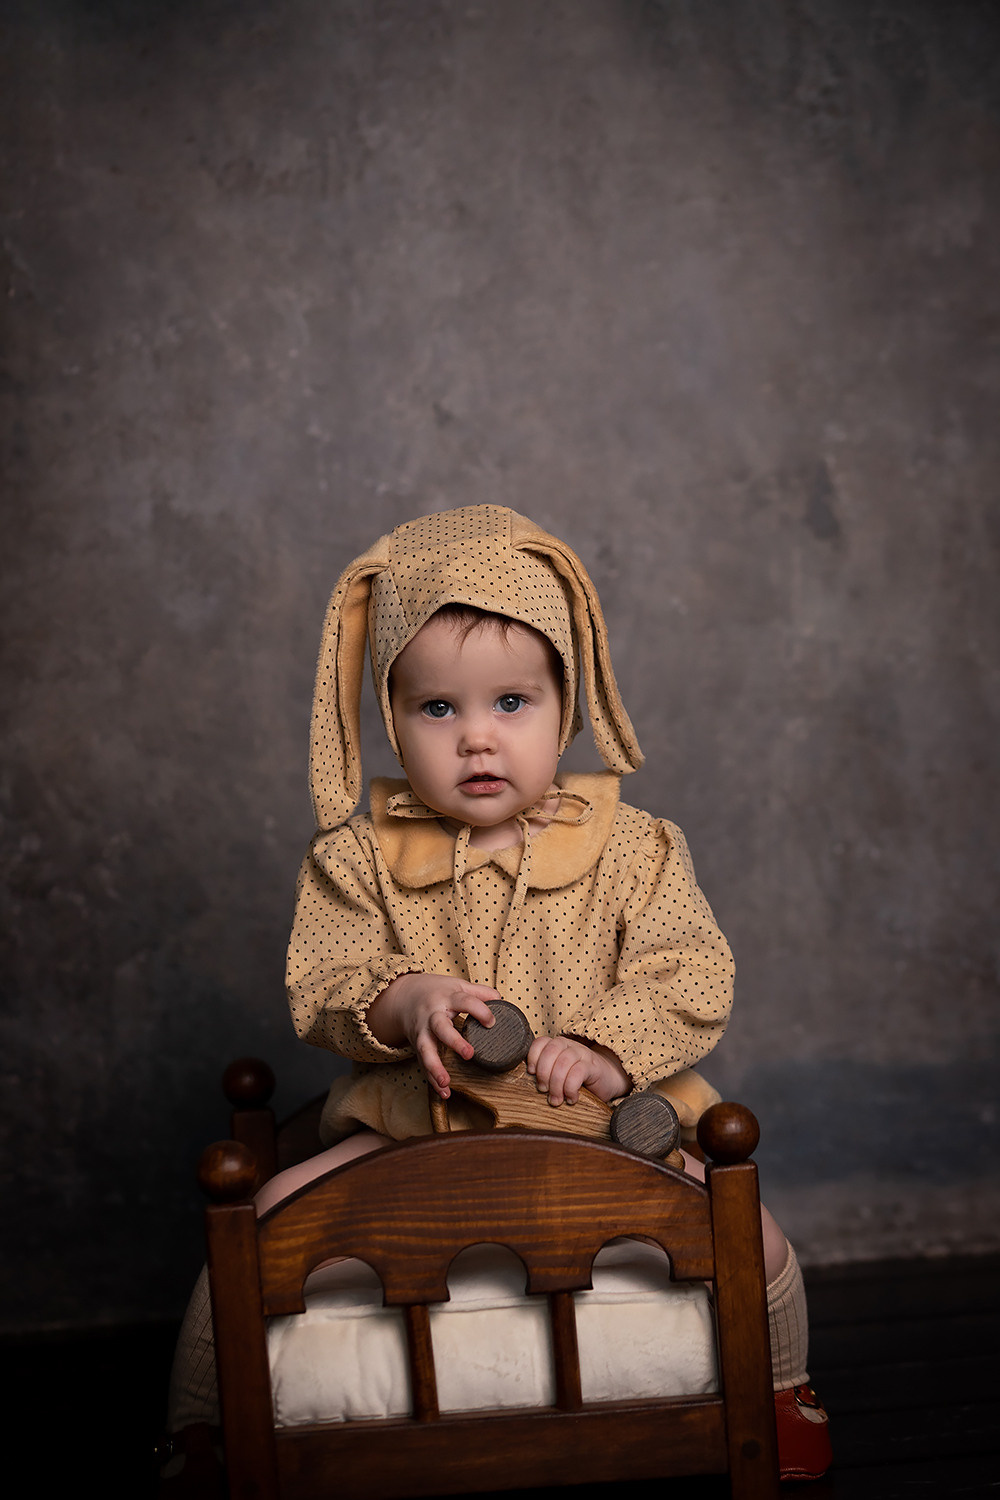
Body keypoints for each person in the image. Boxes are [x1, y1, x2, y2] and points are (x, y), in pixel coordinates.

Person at [169, 505, 831, 1482]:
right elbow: (324, 983)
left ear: (567, 702)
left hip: (601, 1126)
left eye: (511, 704)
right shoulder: (356, 859)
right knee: (255, 1229)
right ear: (388, 718)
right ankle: (198, 1429)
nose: (477, 739)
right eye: (437, 709)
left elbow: (694, 968)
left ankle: (780, 1395)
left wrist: (605, 1046)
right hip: (414, 1128)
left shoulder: (634, 848)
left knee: (755, 1237)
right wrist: (406, 1002)